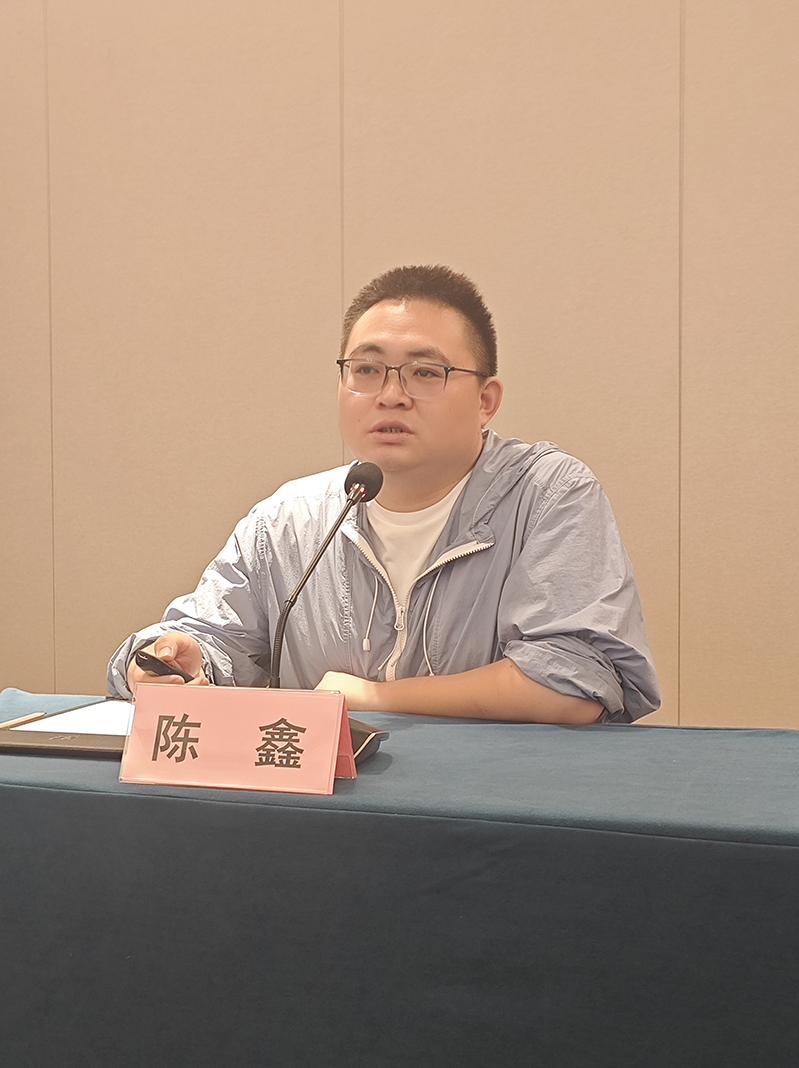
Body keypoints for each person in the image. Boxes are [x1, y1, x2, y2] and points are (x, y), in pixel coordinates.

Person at [109, 265, 660, 724]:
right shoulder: (288, 521)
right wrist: (174, 659)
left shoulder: (546, 495)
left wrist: (371, 698)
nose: (391, 395)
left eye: (425, 372)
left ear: (486, 400)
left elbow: (573, 681)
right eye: (367, 370)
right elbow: (209, 637)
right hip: (327, 808)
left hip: (495, 804)